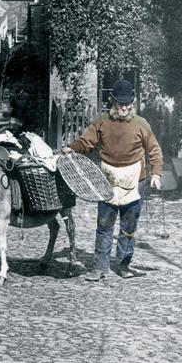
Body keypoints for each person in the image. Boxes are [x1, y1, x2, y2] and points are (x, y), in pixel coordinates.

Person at [63, 79, 163, 280]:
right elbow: (86, 142)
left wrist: (156, 174)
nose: (124, 108)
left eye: (127, 104)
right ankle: (100, 268)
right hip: (108, 180)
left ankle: (124, 265)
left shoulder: (141, 124)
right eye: (120, 104)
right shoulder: (101, 122)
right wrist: (72, 149)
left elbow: (154, 150)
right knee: (104, 225)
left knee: (128, 227)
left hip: (134, 181)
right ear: (113, 102)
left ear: (132, 103)